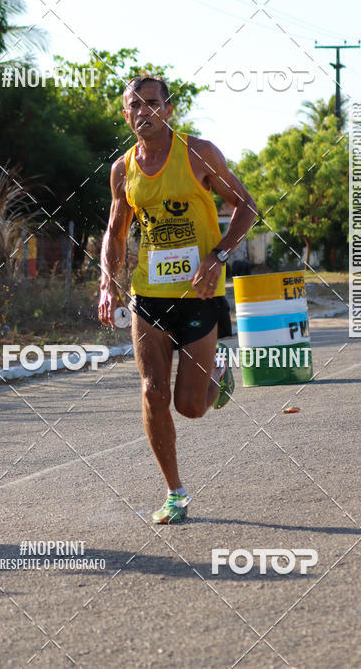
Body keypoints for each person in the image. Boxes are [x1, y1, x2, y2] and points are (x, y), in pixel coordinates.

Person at [98, 76, 257, 524]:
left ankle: (217, 376)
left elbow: (246, 205)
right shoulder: (121, 169)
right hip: (149, 296)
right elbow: (116, 229)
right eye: (135, 105)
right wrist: (107, 283)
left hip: (201, 294)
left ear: (167, 110)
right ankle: (175, 493)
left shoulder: (199, 153)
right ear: (126, 115)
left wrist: (219, 254)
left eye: (152, 103)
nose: (143, 111)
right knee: (151, 392)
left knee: (190, 406)